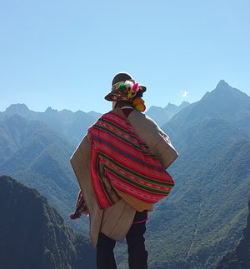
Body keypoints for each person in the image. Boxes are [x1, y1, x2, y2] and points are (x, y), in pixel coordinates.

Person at [69, 72, 178, 269]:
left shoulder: (101, 126)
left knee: (105, 245)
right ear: (134, 95)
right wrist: (139, 175)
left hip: (110, 201)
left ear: (115, 98)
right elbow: (166, 151)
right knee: (136, 243)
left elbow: (84, 160)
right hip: (138, 199)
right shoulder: (146, 123)